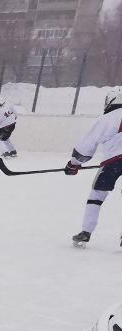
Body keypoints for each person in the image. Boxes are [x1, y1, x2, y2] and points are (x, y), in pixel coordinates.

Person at [65, 87, 122, 247]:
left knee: (97, 194)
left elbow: (86, 145)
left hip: (113, 162)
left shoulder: (108, 117)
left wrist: (74, 164)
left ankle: (86, 231)